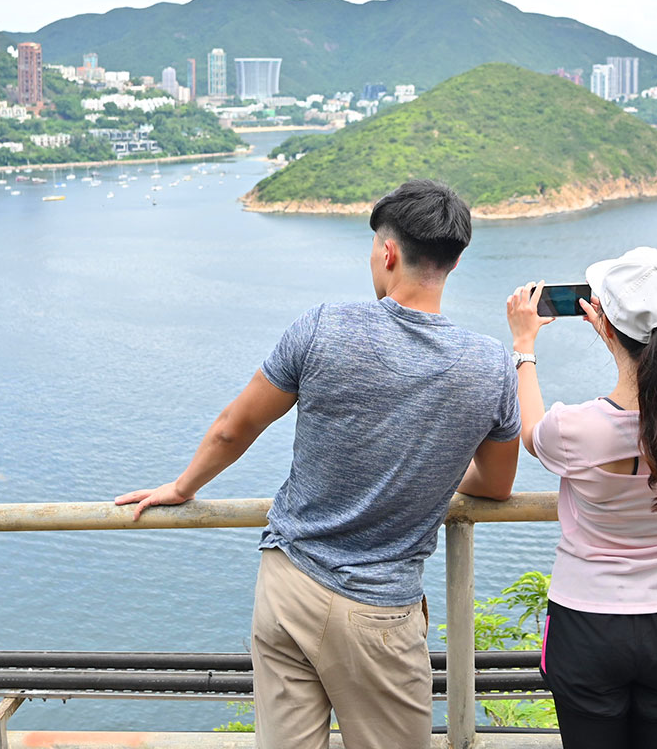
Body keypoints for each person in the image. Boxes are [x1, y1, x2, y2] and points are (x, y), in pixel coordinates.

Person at [115, 179, 521, 749]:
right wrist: (429, 472)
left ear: (388, 252)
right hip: (380, 608)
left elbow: (236, 426)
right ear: (453, 261)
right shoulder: (491, 366)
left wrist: (183, 486)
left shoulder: (324, 326)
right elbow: (499, 486)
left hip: (288, 582)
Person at [501, 248, 657, 748]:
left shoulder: (575, 429)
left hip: (587, 626)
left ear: (602, 323)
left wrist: (524, 345)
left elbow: (530, 430)